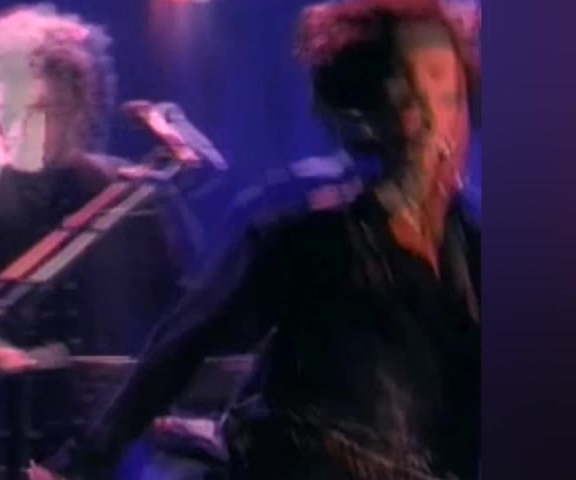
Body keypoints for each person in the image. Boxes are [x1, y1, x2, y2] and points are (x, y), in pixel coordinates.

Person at [30, 0, 481, 479]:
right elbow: (181, 346)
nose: (432, 122)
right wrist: (78, 464)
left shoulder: (472, 242)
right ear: (368, 108)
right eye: (408, 97)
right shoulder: (305, 220)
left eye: (447, 96)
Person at [0, 5, 194, 479]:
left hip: (118, 456)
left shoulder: (139, 199)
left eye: (53, 111)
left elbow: (185, 316)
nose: (35, 129)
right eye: (21, 110)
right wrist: (0, 361)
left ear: (82, 106)